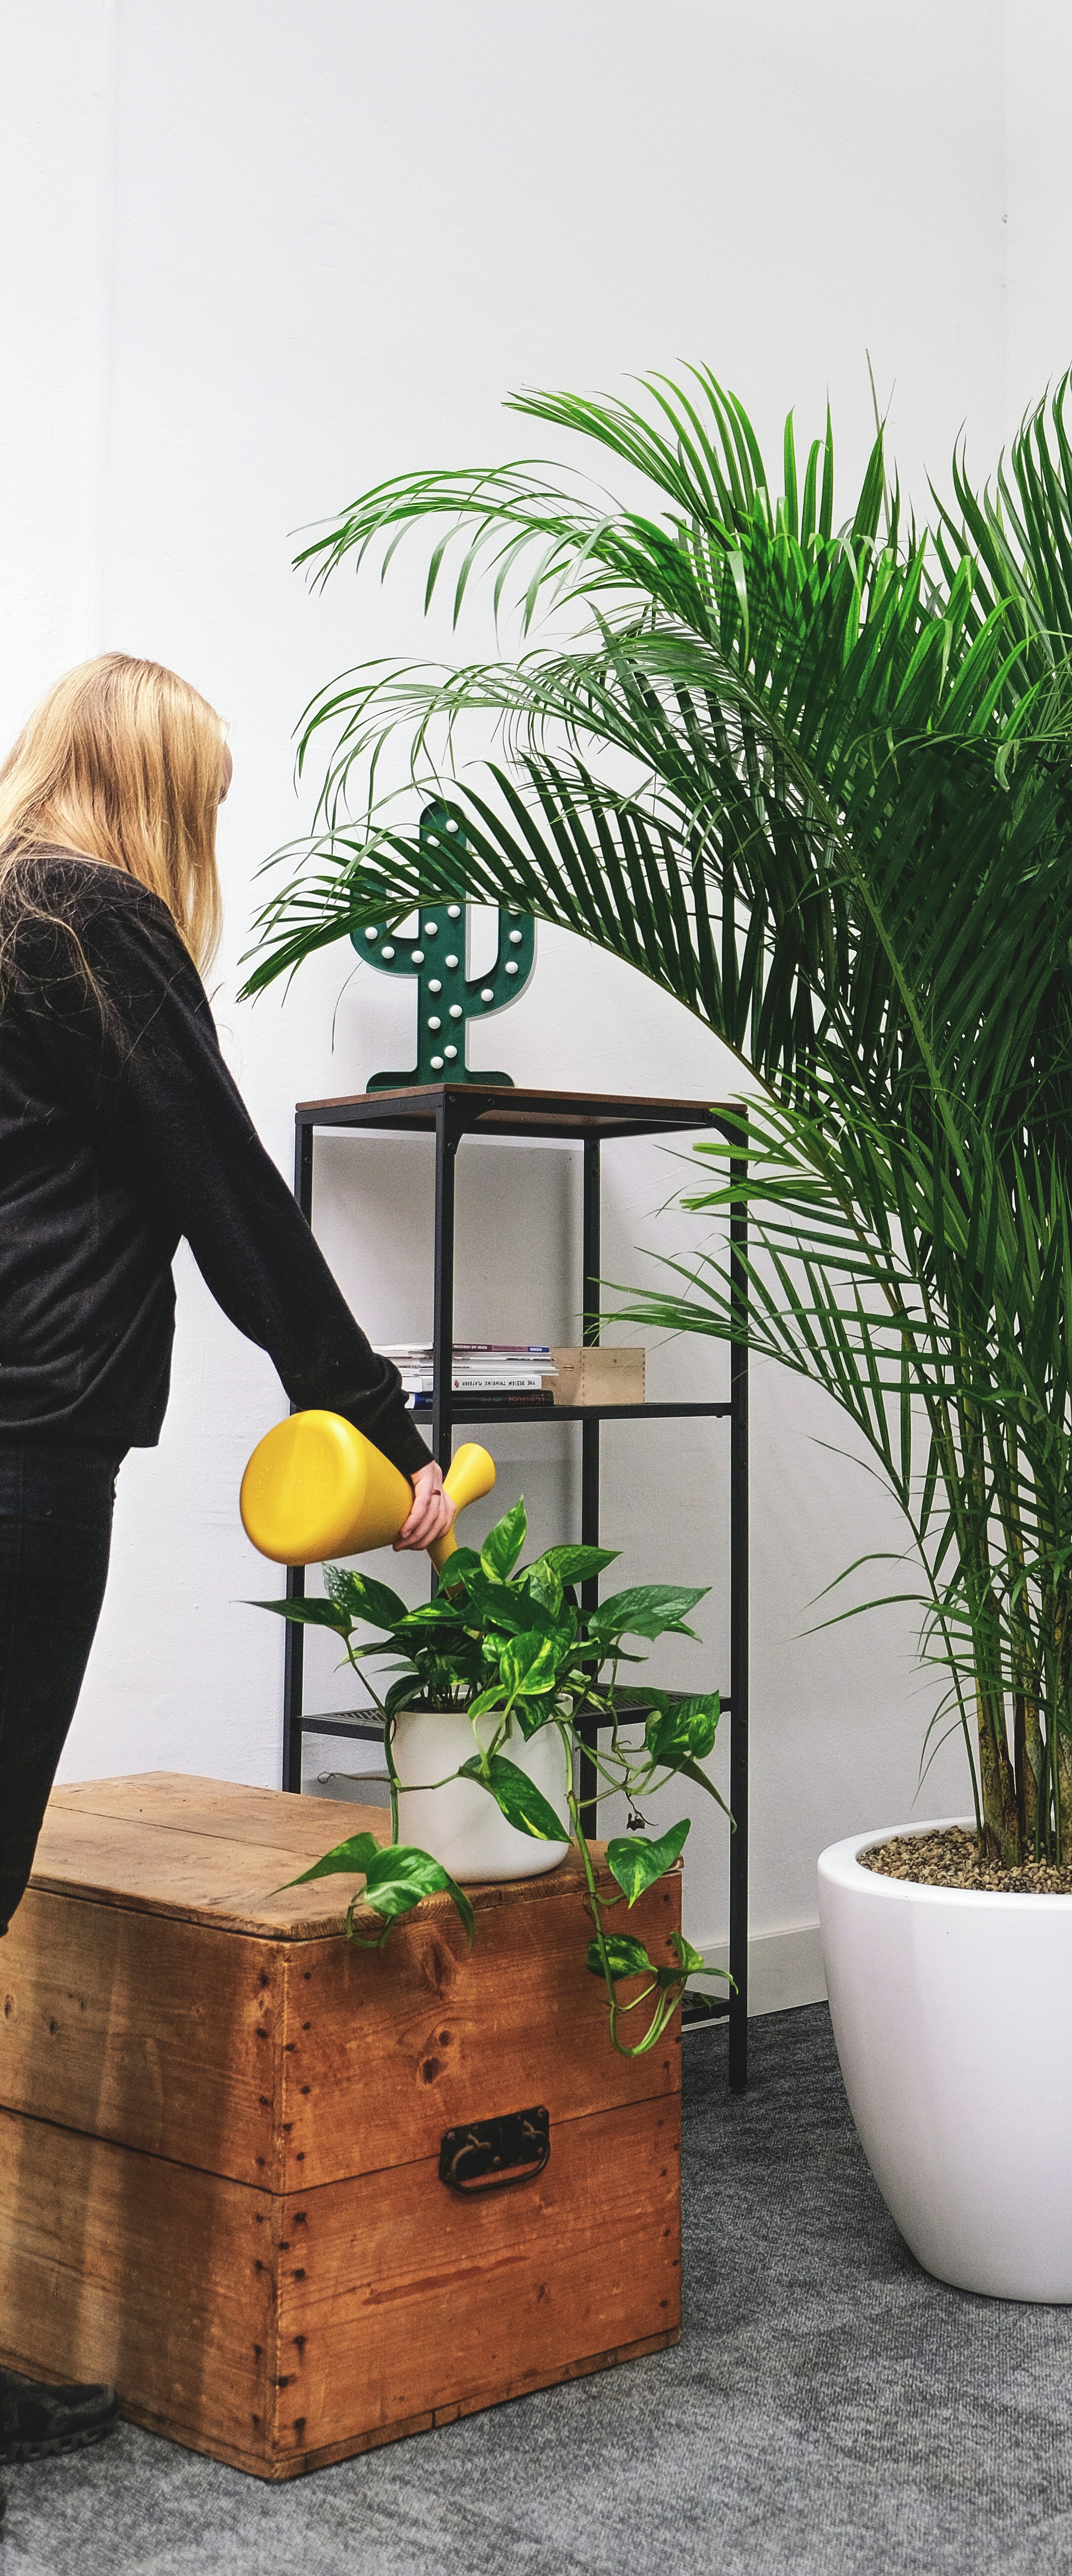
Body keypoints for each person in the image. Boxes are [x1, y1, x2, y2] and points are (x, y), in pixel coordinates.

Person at [0, 654, 454, 2497]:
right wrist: (379, 1416)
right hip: (21, 1452)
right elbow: (230, 1198)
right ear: (159, 797)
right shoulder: (91, 925)